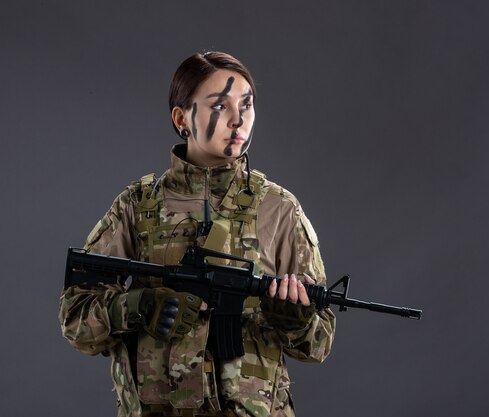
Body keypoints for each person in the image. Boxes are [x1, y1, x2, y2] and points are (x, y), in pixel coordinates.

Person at [59, 51, 336, 417]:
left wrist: (295, 319)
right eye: (220, 106)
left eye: (247, 105)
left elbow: (318, 345)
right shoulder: (136, 208)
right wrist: (136, 306)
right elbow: (76, 320)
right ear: (181, 118)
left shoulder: (279, 209)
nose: (239, 120)